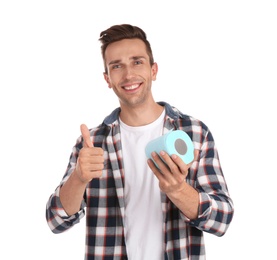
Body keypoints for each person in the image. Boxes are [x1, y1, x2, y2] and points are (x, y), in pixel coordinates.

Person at [46, 24, 234, 260]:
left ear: (153, 70)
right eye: (117, 66)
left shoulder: (194, 133)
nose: (128, 75)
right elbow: (56, 221)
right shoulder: (92, 144)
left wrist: (178, 190)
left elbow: (222, 219)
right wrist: (79, 178)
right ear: (107, 78)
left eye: (137, 62)